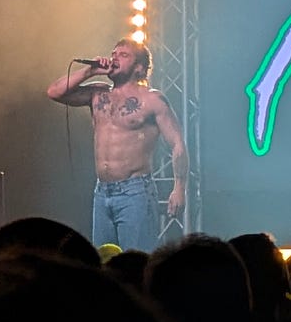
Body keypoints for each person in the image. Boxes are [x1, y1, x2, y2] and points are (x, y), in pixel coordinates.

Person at [46, 38, 187, 251]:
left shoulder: (152, 100)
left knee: (137, 259)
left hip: (136, 192)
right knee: (104, 260)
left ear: (139, 67)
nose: (114, 58)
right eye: (113, 54)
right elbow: (54, 92)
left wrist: (179, 188)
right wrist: (90, 71)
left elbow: (177, 144)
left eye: (123, 55)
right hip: (102, 192)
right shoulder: (98, 93)